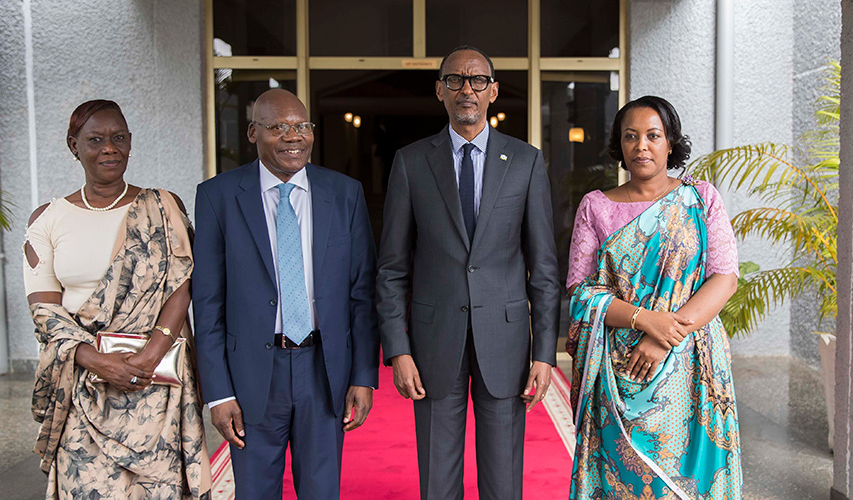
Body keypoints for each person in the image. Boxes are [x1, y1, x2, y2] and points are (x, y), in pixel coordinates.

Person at [376, 45, 560, 500]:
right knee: (438, 478)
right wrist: (397, 349)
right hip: (435, 338)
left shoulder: (525, 161)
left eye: (478, 80)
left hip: (506, 339)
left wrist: (545, 353)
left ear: (493, 91)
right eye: (455, 79)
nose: (467, 89)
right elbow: (392, 268)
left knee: (503, 480)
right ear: (439, 90)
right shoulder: (411, 161)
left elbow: (544, 269)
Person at [192, 89, 379, 500]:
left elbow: (362, 294)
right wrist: (218, 392)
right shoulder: (218, 196)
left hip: (323, 370)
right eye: (279, 127)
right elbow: (207, 303)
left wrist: (364, 376)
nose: (294, 137)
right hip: (252, 375)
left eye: (302, 126)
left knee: (321, 491)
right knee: (256, 492)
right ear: (252, 133)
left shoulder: (344, 194)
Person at [23, 99, 211, 498]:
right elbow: (44, 308)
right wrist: (98, 361)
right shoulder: (48, 218)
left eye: (118, 138)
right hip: (83, 381)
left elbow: (181, 286)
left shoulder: (163, 207)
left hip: (155, 384)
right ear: (74, 145)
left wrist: (149, 355)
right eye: (95, 139)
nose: (109, 147)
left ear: (130, 144)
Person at [566, 95, 743, 499]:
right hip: (619, 370)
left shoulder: (701, 200)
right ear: (620, 145)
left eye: (652, 135)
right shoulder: (596, 207)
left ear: (670, 143)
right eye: (631, 137)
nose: (641, 146)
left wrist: (665, 336)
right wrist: (646, 321)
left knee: (692, 479)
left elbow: (724, 278)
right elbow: (580, 292)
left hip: (692, 366)